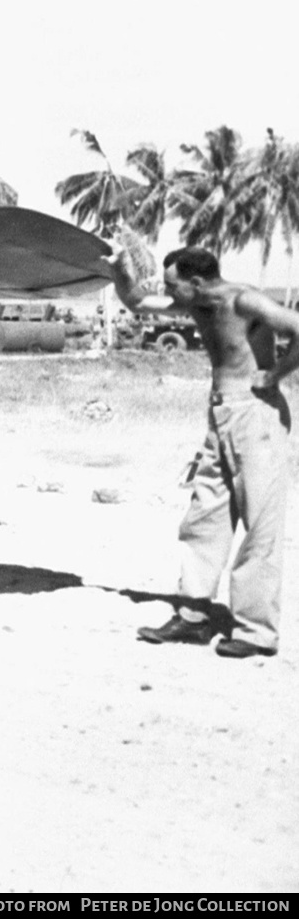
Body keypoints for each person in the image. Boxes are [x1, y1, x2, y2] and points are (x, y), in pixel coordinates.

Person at [111, 245, 299, 658]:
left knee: (260, 523)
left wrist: (279, 372)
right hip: (220, 413)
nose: (168, 292)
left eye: (173, 285)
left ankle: (256, 632)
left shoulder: (244, 300)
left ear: (197, 282)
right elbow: (136, 300)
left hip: (256, 414)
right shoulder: (195, 304)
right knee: (205, 513)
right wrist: (119, 269)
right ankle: (193, 615)